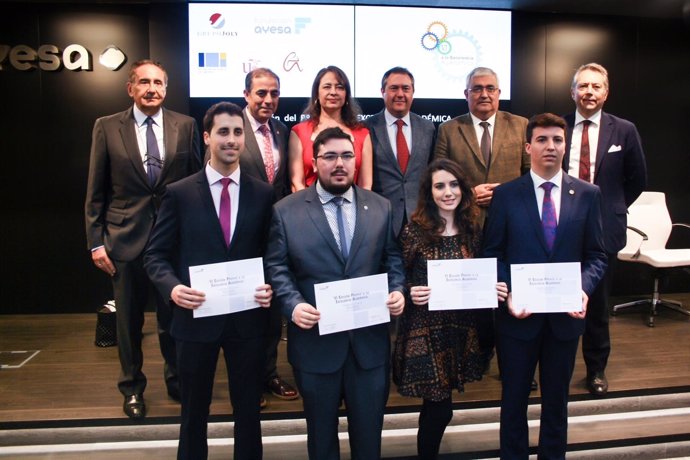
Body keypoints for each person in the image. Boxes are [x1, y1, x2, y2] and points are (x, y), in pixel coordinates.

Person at [265, 127, 406, 459]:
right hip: (316, 346)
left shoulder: (381, 206)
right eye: (330, 156)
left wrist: (398, 290)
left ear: (356, 160)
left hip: (368, 349)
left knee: (369, 441)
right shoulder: (286, 211)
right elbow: (277, 267)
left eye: (347, 155)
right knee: (321, 440)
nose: (339, 163)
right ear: (315, 162)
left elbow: (393, 258)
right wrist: (292, 304)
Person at [144, 102, 274, 459]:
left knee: (249, 411)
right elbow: (154, 256)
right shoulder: (180, 193)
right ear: (207, 137)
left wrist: (270, 286)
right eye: (223, 132)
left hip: (247, 320)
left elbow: (272, 255)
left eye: (237, 132)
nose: (231, 140)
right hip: (195, 320)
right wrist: (173, 288)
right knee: (194, 413)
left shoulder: (263, 193)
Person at [482, 113, 608, 459]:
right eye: (542, 140)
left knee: (556, 402)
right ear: (528, 146)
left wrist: (582, 289)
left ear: (565, 146)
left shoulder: (588, 194)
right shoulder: (506, 195)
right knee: (513, 403)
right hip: (517, 320)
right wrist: (507, 293)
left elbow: (597, 255)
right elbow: (492, 254)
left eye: (557, 140)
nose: (550, 146)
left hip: (564, 321)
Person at [84, 59, 201, 419]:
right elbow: (96, 189)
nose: (152, 88)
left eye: (159, 83)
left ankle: (177, 380)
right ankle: (132, 388)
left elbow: (196, 185)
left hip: (173, 242)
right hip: (124, 240)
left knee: (174, 320)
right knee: (129, 322)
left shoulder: (186, 125)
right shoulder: (107, 127)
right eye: (144, 82)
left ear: (166, 88)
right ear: (130, 88)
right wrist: (95, 240)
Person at [393, 158, 508, 459]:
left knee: (440, 408)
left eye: (454, 184)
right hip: (425, 332)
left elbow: (482, 273)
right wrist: (407, 291)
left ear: (464, 188)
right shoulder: (414, 231)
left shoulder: (473, 229)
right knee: (439, 408)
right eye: (440, 186)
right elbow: (395, 275)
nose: (448, 192)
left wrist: (493, 287)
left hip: (461, 330)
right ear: (429, 192)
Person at [434, 66, 530, 375]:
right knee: (470, 298)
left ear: (500, 93)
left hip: (512, 225)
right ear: (466, 95)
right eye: (477, 88)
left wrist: (506, 192)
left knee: (509, 293)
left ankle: (514, 365)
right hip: (466, 225)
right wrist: (469, 194)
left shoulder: (521, 125)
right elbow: (439, 175)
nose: (484, 94)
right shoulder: (449, 129)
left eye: (490, 88)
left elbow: (532, 174)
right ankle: (472, 360)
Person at [563, 62, 647, 397]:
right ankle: (557, 366)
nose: (589, 92)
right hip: (562, 227)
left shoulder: (624, 130)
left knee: (597, 305)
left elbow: (637, 178)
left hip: (604, 230)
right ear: (572, 92)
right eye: (583, 86)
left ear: (606, 92)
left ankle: (596, 369)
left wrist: (611, 207)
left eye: (596, 87)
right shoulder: (560, 126)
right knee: (558, 301)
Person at [240, 67, 299, 403]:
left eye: (274, 93)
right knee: (246, 313)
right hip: (240, 236)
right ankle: (248, 382)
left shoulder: (281, 129)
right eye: (261, 93)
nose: (268, 99)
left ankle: (269, 374)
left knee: (272, 311)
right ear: (247, 94)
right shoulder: (233, 128)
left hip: (274, 236)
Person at [365, 67, 436, 238]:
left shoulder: (428, 128)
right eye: (393, 88)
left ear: (413, 92)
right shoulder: (366, 128)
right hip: (380, 220)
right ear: (382, 91)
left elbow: (433, 171)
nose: (400, 94)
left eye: (406, 88)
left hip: (421, 219)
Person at [289, 65, 373, 192]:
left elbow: (365, 185)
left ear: (346, 94)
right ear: (317, 93)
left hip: (352, 208)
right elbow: (296, 182)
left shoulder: (362, 133)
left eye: (340, 87)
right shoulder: (299, 132)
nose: (333, 92)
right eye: (327, 87)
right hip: (308, 207)